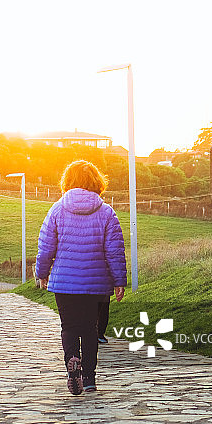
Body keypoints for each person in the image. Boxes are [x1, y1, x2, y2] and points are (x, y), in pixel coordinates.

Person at [35, 160, 127, 395]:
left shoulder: (56, 209)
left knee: (68, 327)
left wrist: (42, 273)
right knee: (89, 328)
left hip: (65, 281)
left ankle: (72, 362)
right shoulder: (107, 212)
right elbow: (114, 250)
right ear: (96, 182)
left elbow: (46, 247)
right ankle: (89, 379)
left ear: (67, 182)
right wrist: (119, 280)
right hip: (95, 282)